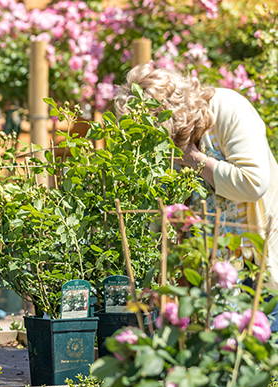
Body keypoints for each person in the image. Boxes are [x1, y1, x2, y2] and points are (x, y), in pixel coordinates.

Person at [114, 63, 278, 290]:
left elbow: (253, 183)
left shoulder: (227, 108)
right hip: (204, 269)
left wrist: (192, 158)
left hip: (256, 261)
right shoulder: (165, 143)